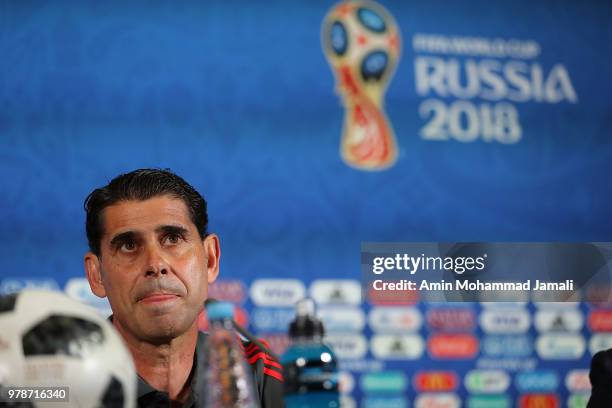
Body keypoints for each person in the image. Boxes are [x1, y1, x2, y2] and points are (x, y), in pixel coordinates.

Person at [83, 168, 284, 407]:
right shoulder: (57, 383)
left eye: (172, 239)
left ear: (210, 259)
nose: (155, 264)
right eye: (128, 245)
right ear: (96, 275)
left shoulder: (264, 375)